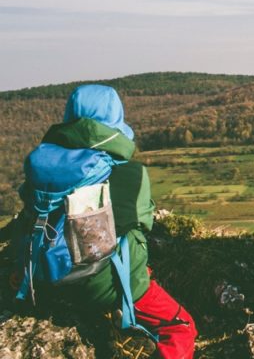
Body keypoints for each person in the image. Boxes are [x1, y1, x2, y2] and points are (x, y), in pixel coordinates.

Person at [12, 85, 197, 359]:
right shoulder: (130, 174)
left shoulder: (41, 170)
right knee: (181, 327)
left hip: (42, 280)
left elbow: (28, 220)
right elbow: (141, 223)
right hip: (102, 287)